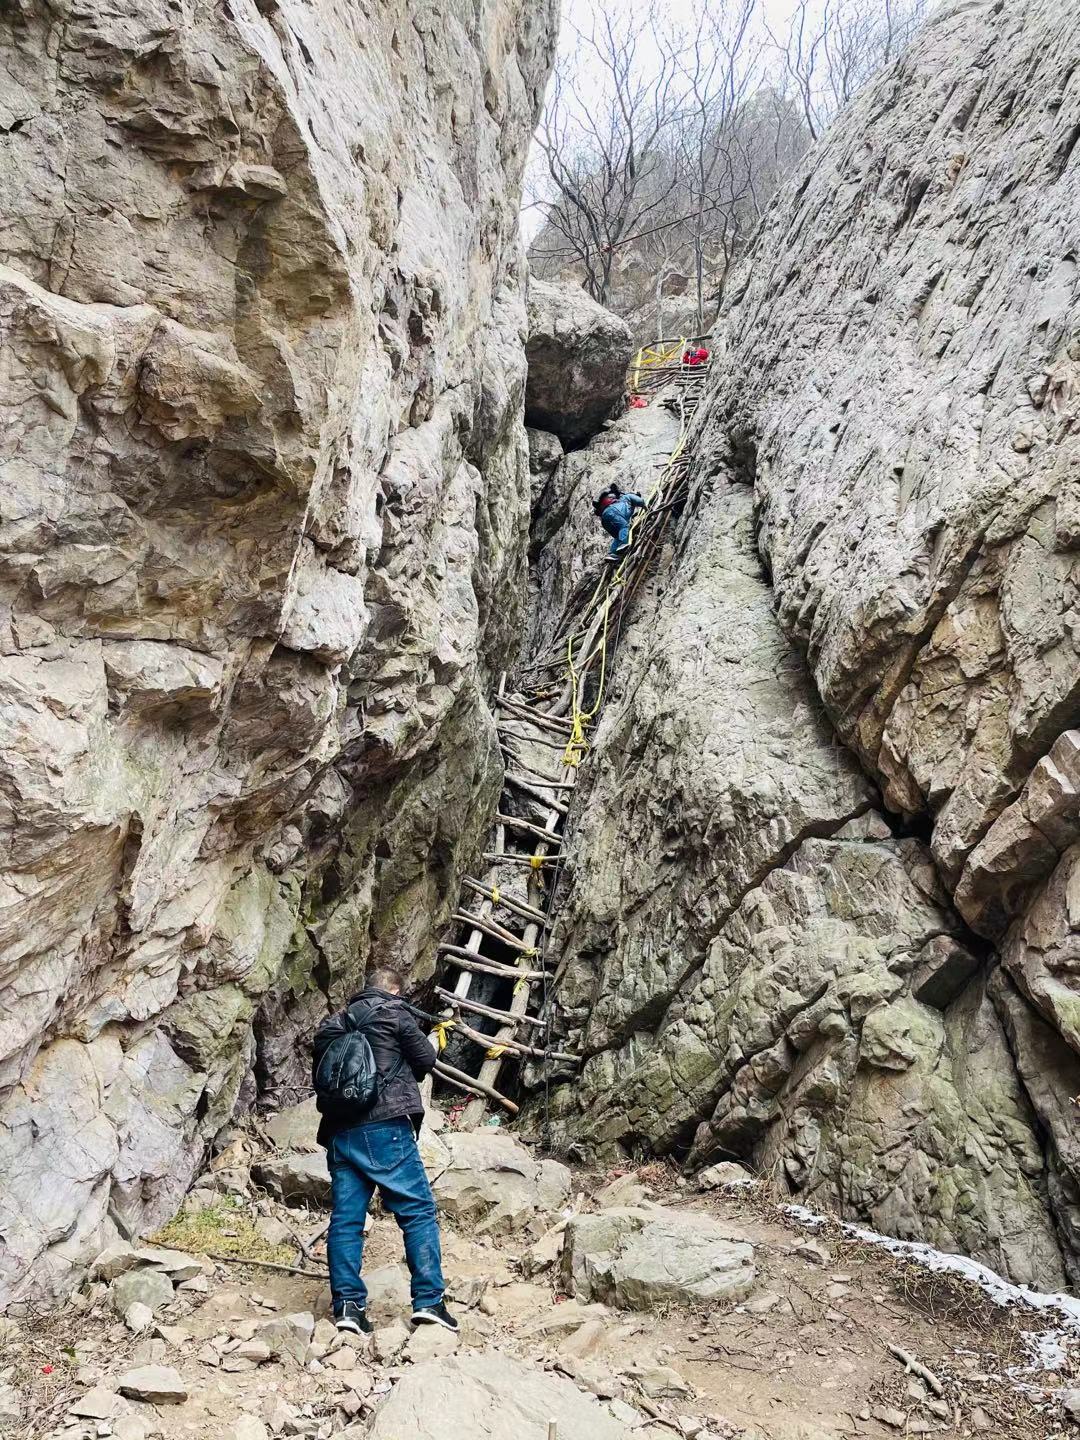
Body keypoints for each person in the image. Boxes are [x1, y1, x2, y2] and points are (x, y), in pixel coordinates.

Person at [312, 967, 457, 1335]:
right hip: (386, 1126)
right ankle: (429, 1301)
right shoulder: (395, 1014)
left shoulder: (333, 1024)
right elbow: (425, 1060)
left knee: (346, 1220)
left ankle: (347, 1307)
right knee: (418, 1210)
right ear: (393, 989)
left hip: (339, 1132)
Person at [594, 485, 646, 558]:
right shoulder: (628, 497)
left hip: (605, 520)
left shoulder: (620, 502)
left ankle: (613, 553)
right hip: (613, 512)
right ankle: (623, 544)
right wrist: (647, 508)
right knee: (624, 526)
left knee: (618, 536)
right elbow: (640, 501)